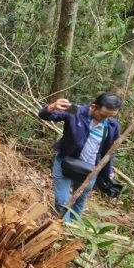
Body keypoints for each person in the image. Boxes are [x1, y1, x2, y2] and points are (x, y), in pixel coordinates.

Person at [38, 93, 123, 221]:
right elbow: (45, 115)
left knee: (79, 202)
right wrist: (52, 107)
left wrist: (109, 170)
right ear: (93, 106)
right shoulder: (75, 110)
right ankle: (63, 228)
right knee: (62, 200)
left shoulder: (112, 125)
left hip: (89, 170)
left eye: (110, 116)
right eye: (103, 115)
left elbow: (110, 151)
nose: (105, 119)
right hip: (65, 163)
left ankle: (73, 228)